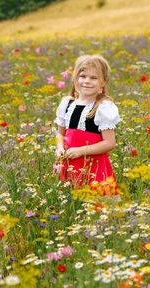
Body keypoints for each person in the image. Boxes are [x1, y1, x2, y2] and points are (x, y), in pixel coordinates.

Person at [54, 54, 120, 195]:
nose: (87, 81)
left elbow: (110, 143)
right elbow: (61, 133)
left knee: (97, 208)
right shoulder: (67, 104)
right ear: (76, 78)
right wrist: (59, 148)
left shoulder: (103, 107)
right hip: (69, 164)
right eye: (83, 76)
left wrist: (81, 151)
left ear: (103, 82)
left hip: (93, 167)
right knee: (71, 206)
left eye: (94, 78)